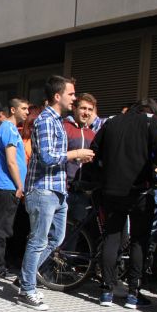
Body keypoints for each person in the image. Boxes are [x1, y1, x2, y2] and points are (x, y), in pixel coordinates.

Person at [16, 76, 94, 310]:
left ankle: (25, 277)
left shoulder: (58, 120)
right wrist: (76, 153)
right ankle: (27, 289)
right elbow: (48, 157)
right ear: (57, 96)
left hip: (58, 190)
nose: (75, 98)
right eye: (71, 94)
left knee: (56, 238)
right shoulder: (45, 121)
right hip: (43, 190)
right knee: (39, 240)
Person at [91, 99, 157, 308]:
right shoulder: (150, 122)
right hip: (139, 190)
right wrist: (151, 166)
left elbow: (95, 148)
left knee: (112, 236)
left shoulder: (112, 121)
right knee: (139, 240)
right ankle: (133, 292)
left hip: (112, 190)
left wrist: (107, 169)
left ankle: (107, 290)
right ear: (151, 112)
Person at [0, 97, 29, 278]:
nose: (27, 112)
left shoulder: (12, 129)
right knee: (1, 228)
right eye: (24, 108)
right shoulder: (8, 129)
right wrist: (19, 184)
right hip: (8, 185)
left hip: (11, 185)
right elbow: (11, 161)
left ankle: (3, 263)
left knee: (8, 227)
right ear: (13, 110)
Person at [63, 94, 98, 232]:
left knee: (76, 231)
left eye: (90, 109)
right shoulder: (65, 128)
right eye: (83, 108)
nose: (86, 113)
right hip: (65, 188)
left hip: (82, 191)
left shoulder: (92, 134)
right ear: (74, 109)